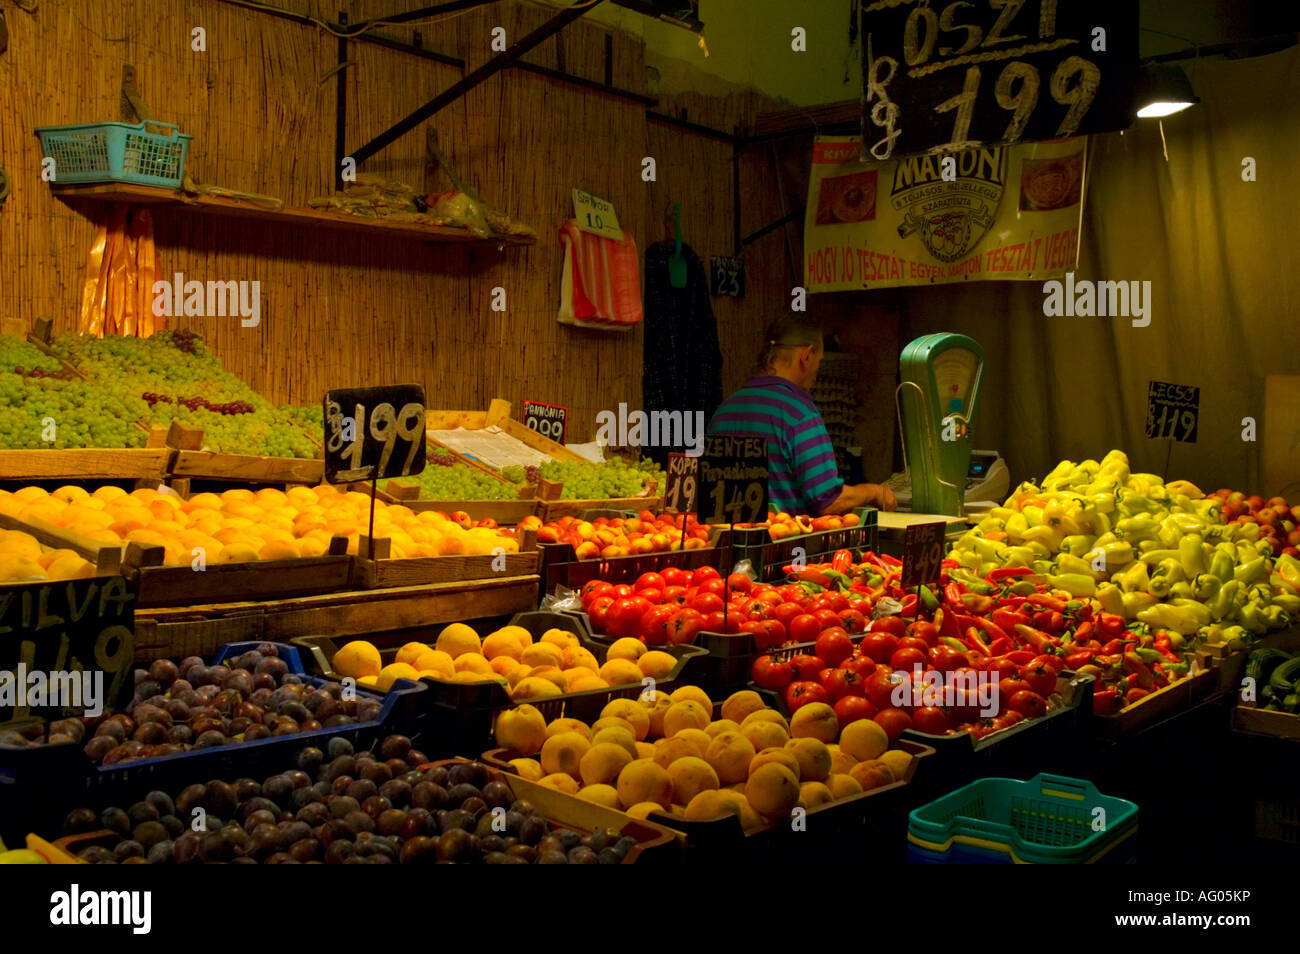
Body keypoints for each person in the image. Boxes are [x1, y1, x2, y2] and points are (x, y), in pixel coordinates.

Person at [708, 317, 897, 516]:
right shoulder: (798, 413)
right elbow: (827, 501)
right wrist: (873, 491)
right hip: (782, 545)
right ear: (806, 356)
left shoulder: (724, 412)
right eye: (819, 360)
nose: (817, 369)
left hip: (725, 544)